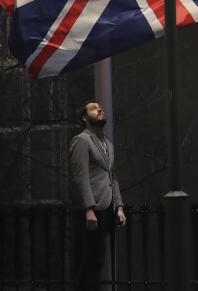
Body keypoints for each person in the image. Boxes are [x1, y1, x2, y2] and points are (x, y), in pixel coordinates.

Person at [69, 100, 126, 291]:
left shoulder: (107, 144)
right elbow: (80, 176)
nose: (99, 109)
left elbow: (113, 177)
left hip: (107, 209)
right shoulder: (81, 140)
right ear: (84, 118)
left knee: (96, 260)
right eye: (94, 108)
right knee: (91, 261)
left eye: (100, 107)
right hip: (93, 210)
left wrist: (119, 207)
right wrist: (88, 209)